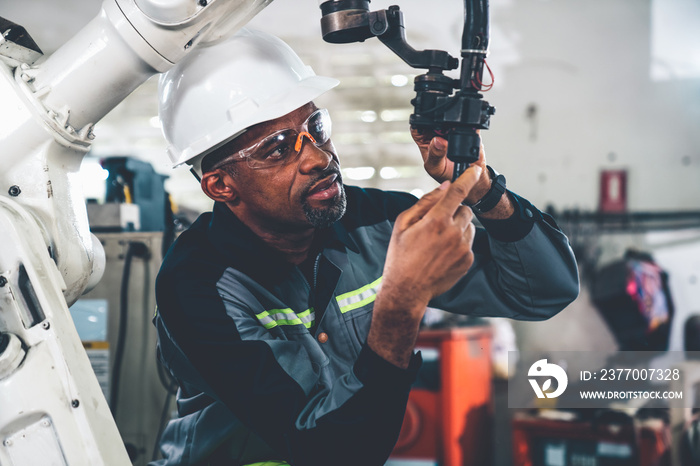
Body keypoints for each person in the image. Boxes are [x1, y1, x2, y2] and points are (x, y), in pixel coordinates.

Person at [152, 28, 579, 466]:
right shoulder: (197, 285)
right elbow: (322, 449)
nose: (318, 156)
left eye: (315, 127)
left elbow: (545, 290)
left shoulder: (376, 224)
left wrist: (482, 189)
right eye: (278, 149)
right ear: (221, 185)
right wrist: (401, 303)